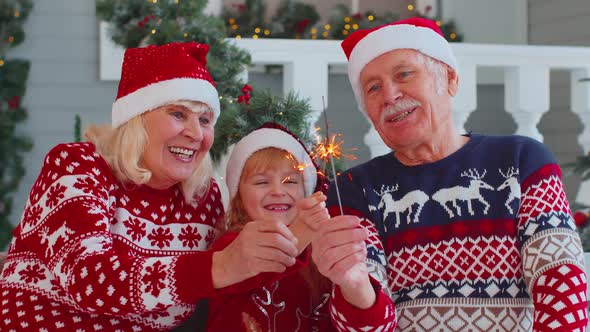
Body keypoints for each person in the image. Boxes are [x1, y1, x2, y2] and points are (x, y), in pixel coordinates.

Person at [307, 17, 589, 331]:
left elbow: (563, 292)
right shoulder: (353, 190)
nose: (389, 95)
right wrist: (356, 284)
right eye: (373, 88)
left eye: (404, 74)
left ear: (450, 79)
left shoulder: (523, 161)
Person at [0, 42, 301, 331]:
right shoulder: (77, 165)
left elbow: (230, 284)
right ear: (137, 119)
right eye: (178, 114)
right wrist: (220, 265)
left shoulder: (202, 197)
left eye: (206, 120)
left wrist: (303, 235)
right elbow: (90, 280)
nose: (196, 133)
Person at [207, 123, 338, 331]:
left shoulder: (320, 250)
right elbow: (261, 265)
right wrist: (298, 236)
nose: (278, 191)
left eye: (290, 181)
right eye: (261, 182)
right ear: (239, 196)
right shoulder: (230, 246)